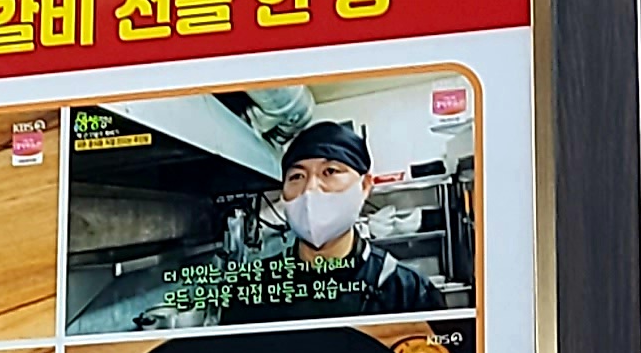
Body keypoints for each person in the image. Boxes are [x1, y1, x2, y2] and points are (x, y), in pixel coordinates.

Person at [190, 121, 453, 325]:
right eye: (296, 177)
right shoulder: (250, 289)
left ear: (364, 186)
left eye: (330, 172)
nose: (310, 190)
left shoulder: (408, 292)